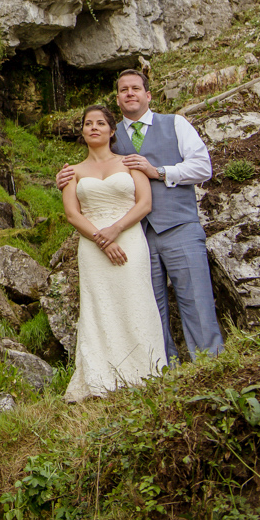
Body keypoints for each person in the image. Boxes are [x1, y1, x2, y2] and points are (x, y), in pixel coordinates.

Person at [58, 68, 225, 363]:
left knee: (196, 299)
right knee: (148, 305)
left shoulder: (175, 124)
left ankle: (210, 364)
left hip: (178, 225)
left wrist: (159, 172)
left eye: (136, 88)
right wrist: (64, 178)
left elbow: (203, 168)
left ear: (147, 95)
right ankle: (162, 368)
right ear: (118, 100)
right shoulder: (110, 134)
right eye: (123, 90)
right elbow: (90, 170)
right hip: (134, 235)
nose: (130, 93)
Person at [61, 104, 166, 402]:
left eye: (100, 123)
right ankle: (100, 378)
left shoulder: (131, 162)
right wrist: (101, 239)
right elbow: (72, 214)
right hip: (93, 246)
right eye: (87, 123)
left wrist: (116, 230)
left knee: (136, 299)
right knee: (98, 306)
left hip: (130, 238)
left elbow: (144, 204)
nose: (93, 127)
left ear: (111, 130)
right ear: (82, 131)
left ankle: (145, 371)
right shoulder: (72, 172)